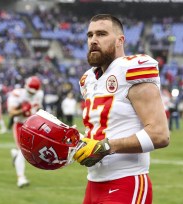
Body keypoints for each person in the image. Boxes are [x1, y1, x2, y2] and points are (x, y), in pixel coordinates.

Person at [73, 14, 170, 204]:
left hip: (126, 182)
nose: (93, 40)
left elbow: (160, 135)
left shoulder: (133, 69)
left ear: (120, 40)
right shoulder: (88, 79)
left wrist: (106, 147)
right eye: (90, 35)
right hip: (93, 184)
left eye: (101, 34)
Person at [7, 76, 44, 188]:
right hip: (20, 125)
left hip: (33, 125)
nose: (31, 94)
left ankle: (15, 155)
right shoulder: (18, 94)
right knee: (23, 152)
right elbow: (11, 113)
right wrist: (22, 110)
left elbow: (38, 110)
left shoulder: (39, 94)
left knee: (34, 153)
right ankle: (21, 178)